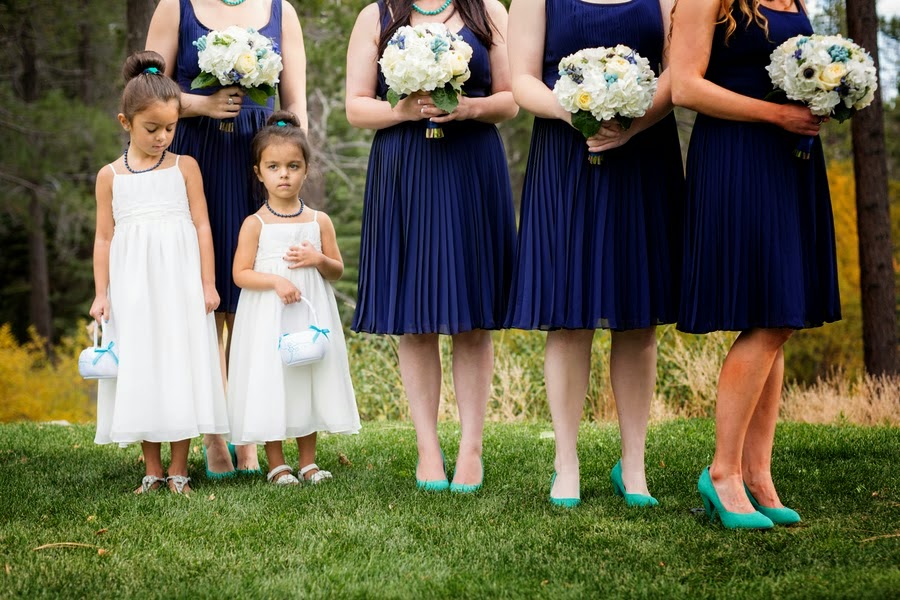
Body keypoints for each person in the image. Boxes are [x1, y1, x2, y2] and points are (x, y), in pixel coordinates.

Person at [505, 0, 684, 507]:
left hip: (644, 154)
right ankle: (566, 460)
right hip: (565, 155)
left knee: (637, 316)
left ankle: (633, 464)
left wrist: (633, 121)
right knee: (568, 316)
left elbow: (675, 73)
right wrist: (578, 112)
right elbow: (522, 80)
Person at [670, 0, 838, 528]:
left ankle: (758, 473)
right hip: (737, 155)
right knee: (771, 317)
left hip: (791, 160)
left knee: (780, 313)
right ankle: (723, 474)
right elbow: (685, 87)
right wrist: (776, 114)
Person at [345, 0, 518, 492]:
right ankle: (427, 448)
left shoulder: (489, 12)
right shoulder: (376, 16)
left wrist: (471, 108)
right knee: (415, 315)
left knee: (472, 315)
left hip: (471, 163)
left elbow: (510, 99)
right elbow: (356, 107)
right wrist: (399, 110)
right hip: (405, 165)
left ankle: (471, 447)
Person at [145, 0, 308, 476]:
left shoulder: (283, 11)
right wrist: (202, 104)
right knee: (207, 296)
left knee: (249, 301)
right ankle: (214, 434)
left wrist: (288, 157)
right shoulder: (175, 8)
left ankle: (247, 432)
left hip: (257, 157)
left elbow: (294, 102)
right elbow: (147, 91)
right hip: (196, 155)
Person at [90, 51, 229, 495]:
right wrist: (101, 293)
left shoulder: (184, 167)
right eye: (152, 129)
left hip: (180, 283)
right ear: (125, 122)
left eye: (170, 128)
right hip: (133, 287)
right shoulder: (110, 176)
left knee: (178, 365)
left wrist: (207, 283)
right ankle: (152, 469)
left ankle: (180, 469)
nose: (162, 137)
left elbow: (203, 226)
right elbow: (104, 238)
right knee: (145, 365)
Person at [226, 111, 360, 485]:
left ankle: (308, 461)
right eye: (273, 166)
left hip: (307, 315)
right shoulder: (255, 224)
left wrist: (317, 259)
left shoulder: (319, 221)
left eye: (293, 166)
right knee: (274, 380)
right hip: (270, 316)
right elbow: (240, 274)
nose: (283, 174)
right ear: (259, 172)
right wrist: (275, 281)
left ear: (306, 170)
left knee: (306, 378)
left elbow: (336, 269)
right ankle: (276, 463)